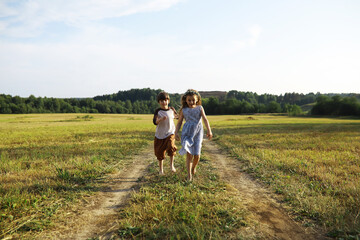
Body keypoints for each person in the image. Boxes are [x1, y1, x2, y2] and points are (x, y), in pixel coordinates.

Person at [175, 89, 213, 181]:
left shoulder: (200, 108)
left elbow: (205, 119)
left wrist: (209, 130)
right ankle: (189, 176)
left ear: (197, 100)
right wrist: (176, 132)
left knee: (197, 155)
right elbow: (179, 122)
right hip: (187, 133)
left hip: (198, 133)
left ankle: (193, 167)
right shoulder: (184, 110)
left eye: (193, 100)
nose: (191, 102)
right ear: (186, 100)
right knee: (189, 154)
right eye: (189, 100)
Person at [153, 91, 177, 175]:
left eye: (166, 100)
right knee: (160, 153)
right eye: (162, 101)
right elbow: (155, 122)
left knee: (171, 147)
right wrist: (160, 119)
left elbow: (177, 117)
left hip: (170, 133)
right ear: (159, 102)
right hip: (160, 135)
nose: (164, 102)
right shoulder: (158, 111)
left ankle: (171, 165)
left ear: (168, 101)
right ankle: (161, 170)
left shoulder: (172, 110)